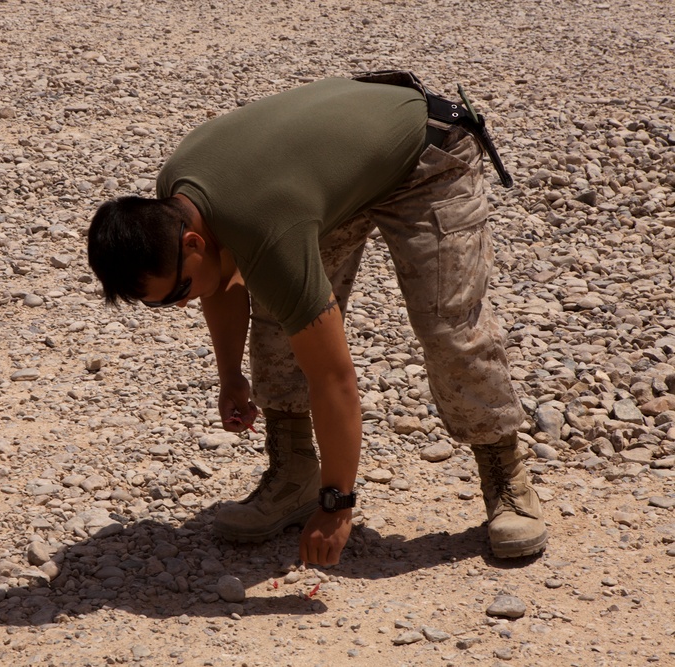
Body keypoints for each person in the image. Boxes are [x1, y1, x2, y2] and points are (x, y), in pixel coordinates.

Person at [86, 71, 547, 566]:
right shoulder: (174, 202)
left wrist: (338, 504)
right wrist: (230, 378)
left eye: (175, 292)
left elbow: (333, 376)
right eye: (162, 303)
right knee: (278, 311)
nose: (178, 304)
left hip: (428, 156)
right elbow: (218, 281)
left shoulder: (264, 226)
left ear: (192, 242)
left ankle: (506, 476)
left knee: (448, 326)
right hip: (333, 173)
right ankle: (294, 474)